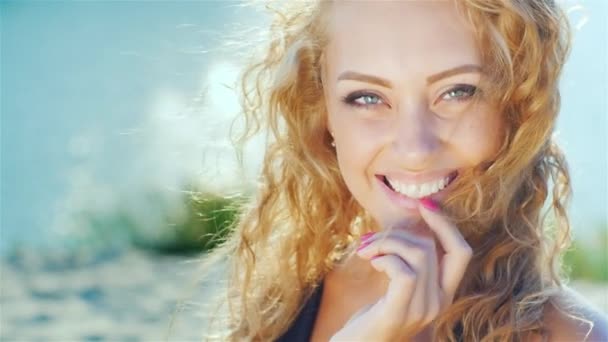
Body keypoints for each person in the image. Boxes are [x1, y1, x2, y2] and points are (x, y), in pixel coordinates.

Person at [200, 0, 608, 340]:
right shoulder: (287, 294)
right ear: (322, 114)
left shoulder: (573, 334)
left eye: (457, 91)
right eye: (366, 98)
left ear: (515, 108)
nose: (415, 150)